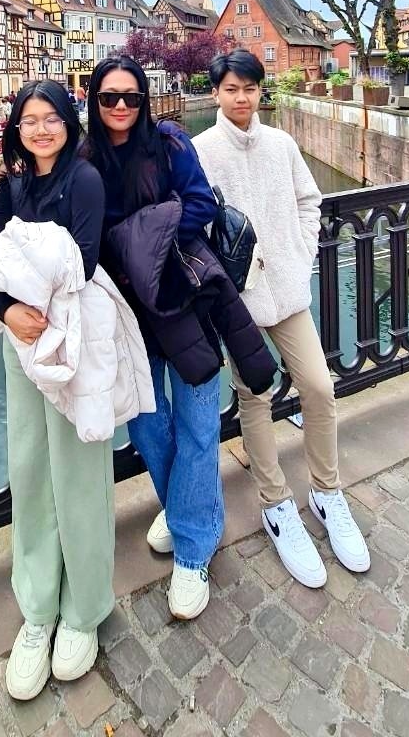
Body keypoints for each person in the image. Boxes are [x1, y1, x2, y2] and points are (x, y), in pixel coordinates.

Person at [83, 56, 275, 620]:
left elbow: (199, 204)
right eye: (109, 98)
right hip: (126, 315)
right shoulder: (85, 160)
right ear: (94, 102)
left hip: (184, 301)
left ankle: (193, 552)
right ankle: (189, 509)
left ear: (144, 100)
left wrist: (144, 244)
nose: (121, 107)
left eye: (131, 97)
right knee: (146, 422)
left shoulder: (169, 143)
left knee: (197, 421)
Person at [193, 49, 370, 585]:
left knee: (319, 387)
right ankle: (276, 503)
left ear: (259, 91)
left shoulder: (281, 144)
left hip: (287, 291)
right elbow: (194, 225)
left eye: (249, 88)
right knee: (256, 397)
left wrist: (300, 251)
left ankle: (327, 492)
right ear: (217, 92)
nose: (241, 98)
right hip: (238, 300)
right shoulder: (202, 151)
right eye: (231, 89)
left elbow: (309, 201)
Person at [0, 80, 119, 701]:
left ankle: (83, 608)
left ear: (68, 123)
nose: (40, 129)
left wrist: (28, 288)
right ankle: (37, 609)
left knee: (79, 474)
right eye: (29, 120)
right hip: (21, 345)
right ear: (17, 128)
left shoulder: (84, 180)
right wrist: (7, 308)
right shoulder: (11, 187)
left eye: (51, 118)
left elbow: (82, 263)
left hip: (71, 344)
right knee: (31, 469)